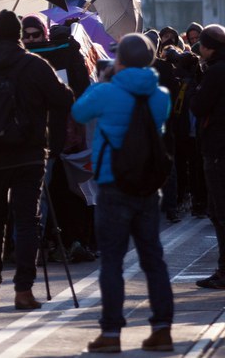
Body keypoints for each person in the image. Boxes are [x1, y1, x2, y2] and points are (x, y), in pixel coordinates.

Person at [0, 10, 73, 311]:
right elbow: (64, 99)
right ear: (20, 35)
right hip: (29, 155)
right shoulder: (35, 65)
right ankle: (24, 290)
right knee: (27, 222)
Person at [72, 33, 174, 353]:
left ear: (120, 60)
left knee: (112, 262)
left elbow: (78, 112)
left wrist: (102, 80)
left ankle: (112, 334)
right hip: (147, 186)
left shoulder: (105, 92)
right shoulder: (160, 96)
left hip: (112, 184)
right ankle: (161, 330)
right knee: (153, 261)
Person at [191, 24, 225, 290]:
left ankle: (224, 271)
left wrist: (196, 82)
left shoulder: (215, 73)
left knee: (219, 211)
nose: (198, 49)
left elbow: (199, 106)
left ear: (210, 47)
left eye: (201, 45)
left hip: (217, 149)